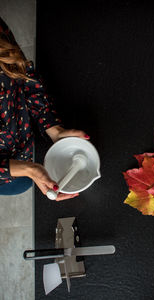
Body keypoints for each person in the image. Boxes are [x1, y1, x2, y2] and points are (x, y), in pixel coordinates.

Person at [0, 17, 89, 201]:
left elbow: (26, 79)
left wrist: (54, 129)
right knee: (20, 185)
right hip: (6, 172)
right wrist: (27, 169)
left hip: (23, 142)